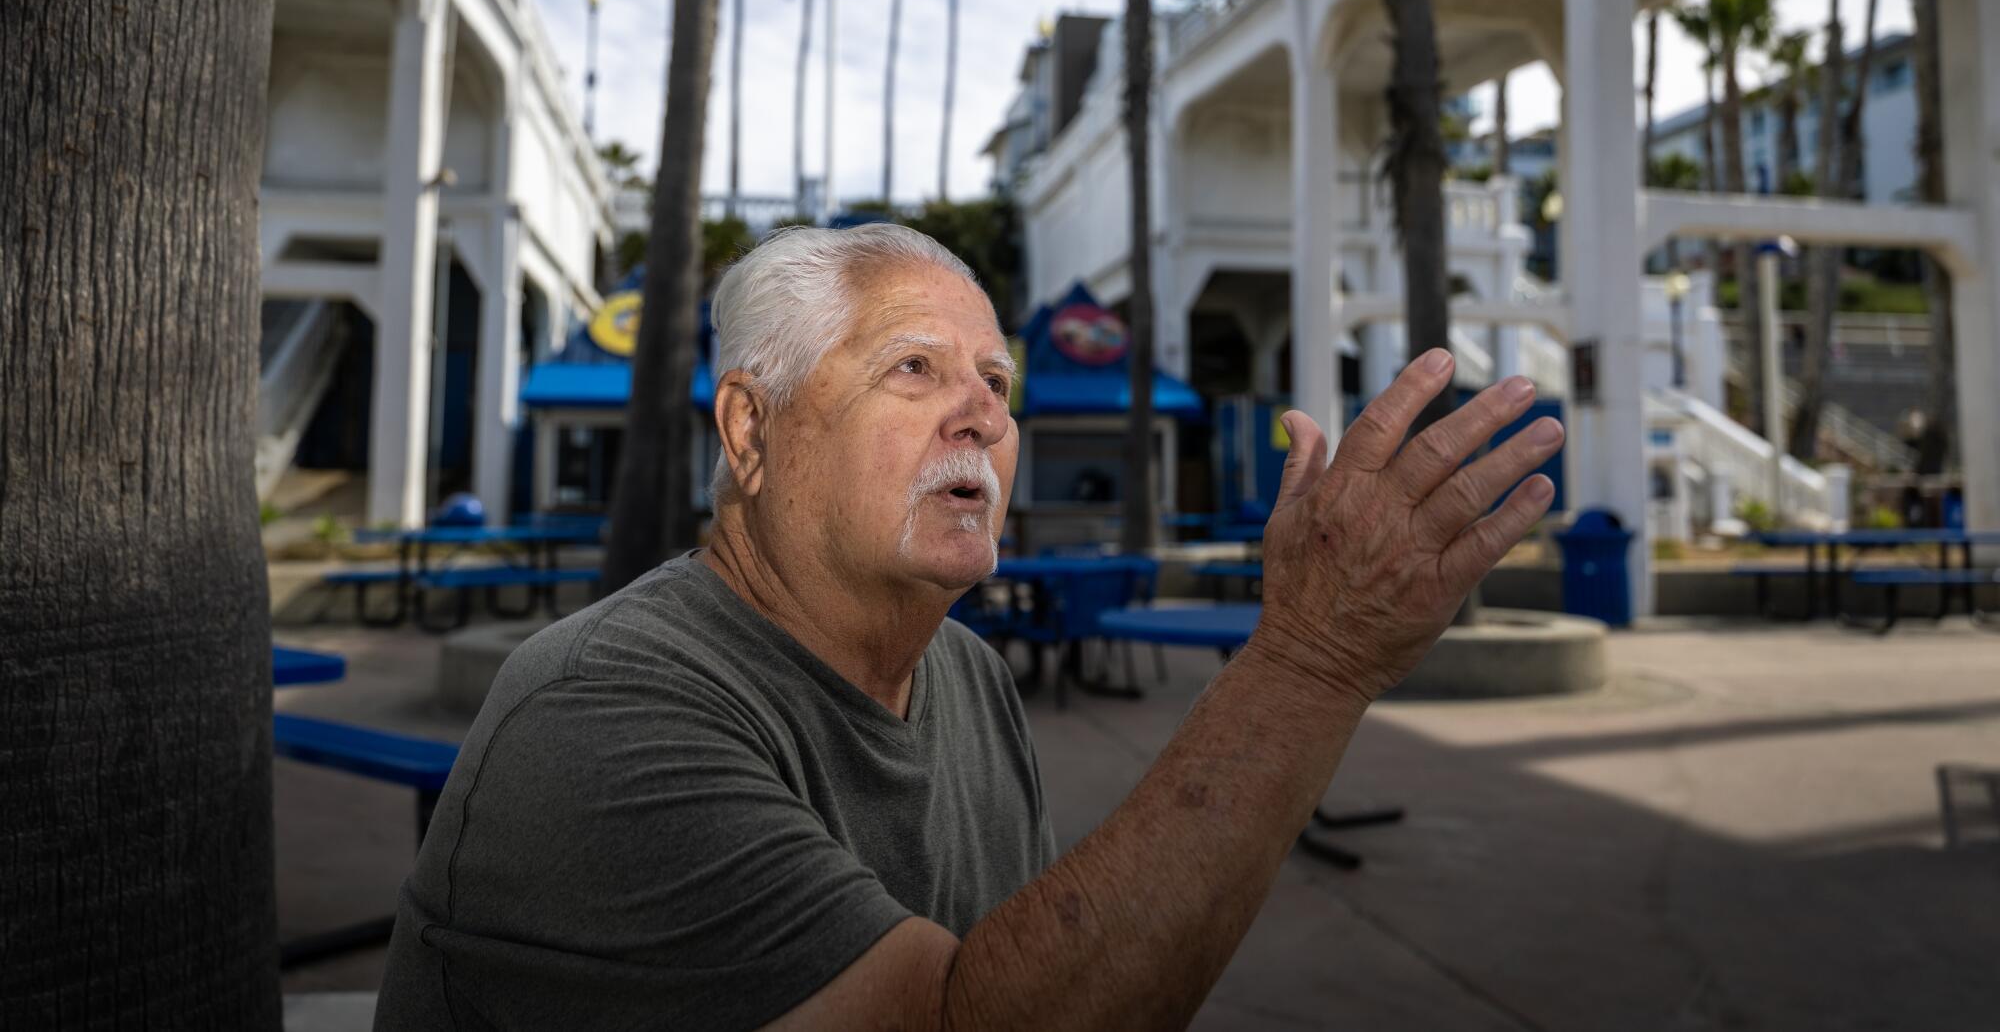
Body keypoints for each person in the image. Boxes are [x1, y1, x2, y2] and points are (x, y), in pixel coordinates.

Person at [374, 224, 1563, 1030]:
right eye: (913, 367)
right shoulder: (599, 711)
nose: (982, 417)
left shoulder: (971, 679)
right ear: (749, 432)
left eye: (997, 383)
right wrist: (1308, 658)